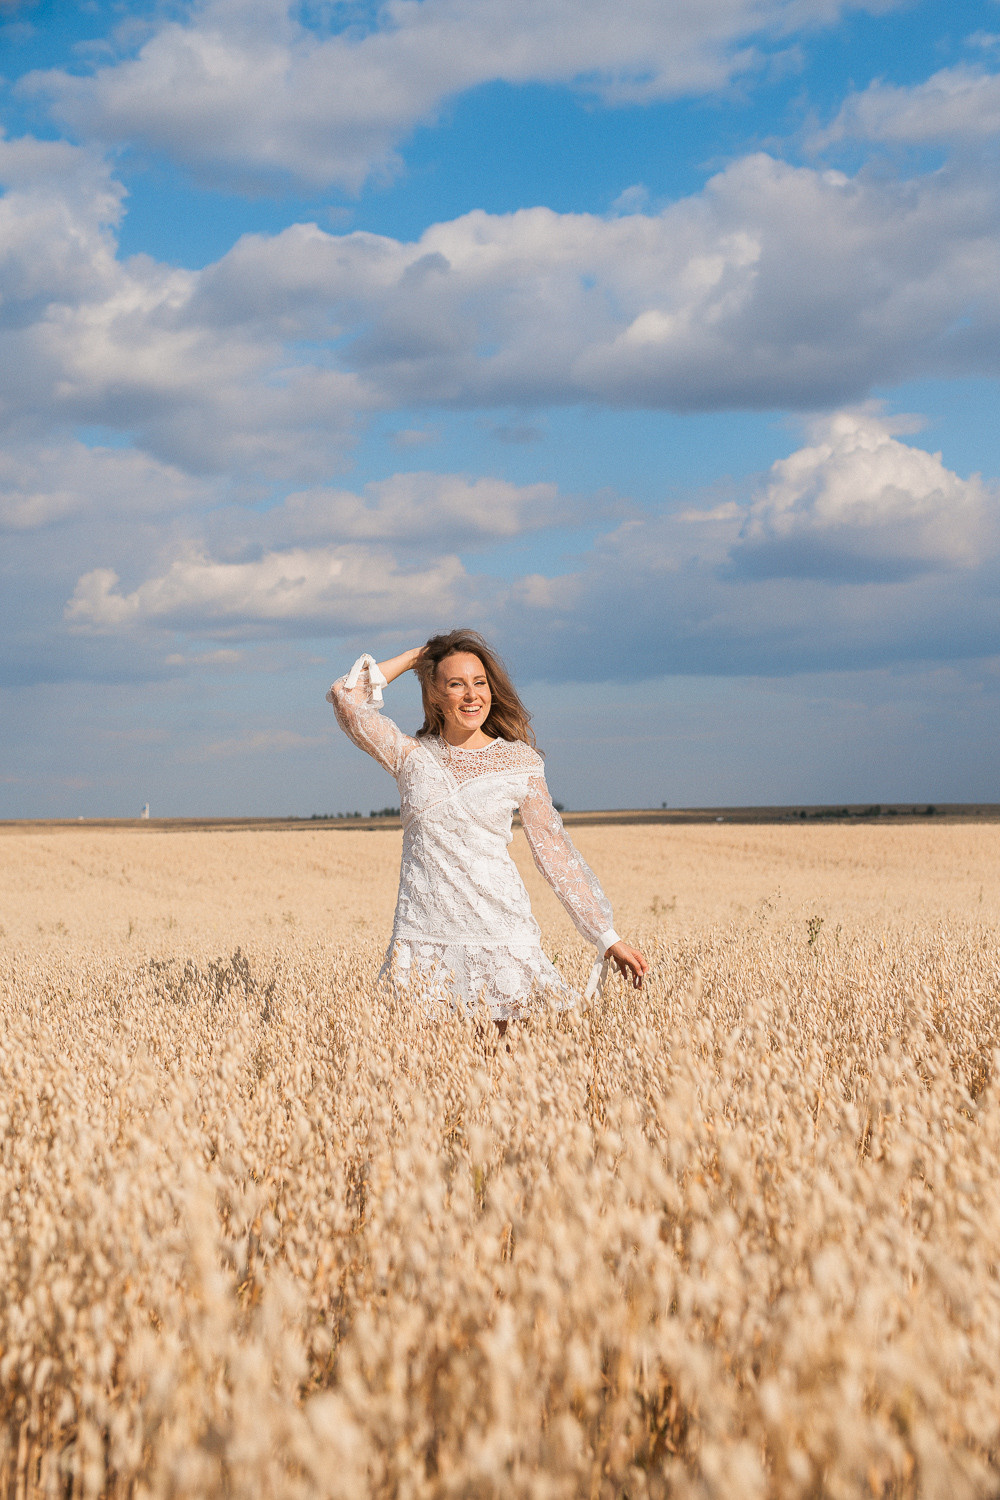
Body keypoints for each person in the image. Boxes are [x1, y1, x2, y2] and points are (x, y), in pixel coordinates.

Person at [327, 629, 647, 1026]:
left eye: (479, 683)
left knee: (513, 1074)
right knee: (425, 1075)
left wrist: (606, 936)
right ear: (435, 695)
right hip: (425, 942)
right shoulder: (410, 757)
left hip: (504, 937)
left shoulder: (521, 762)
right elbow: (346, 698)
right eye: (455, 684)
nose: (471, 694)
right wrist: (417, 658)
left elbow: (554, 853)